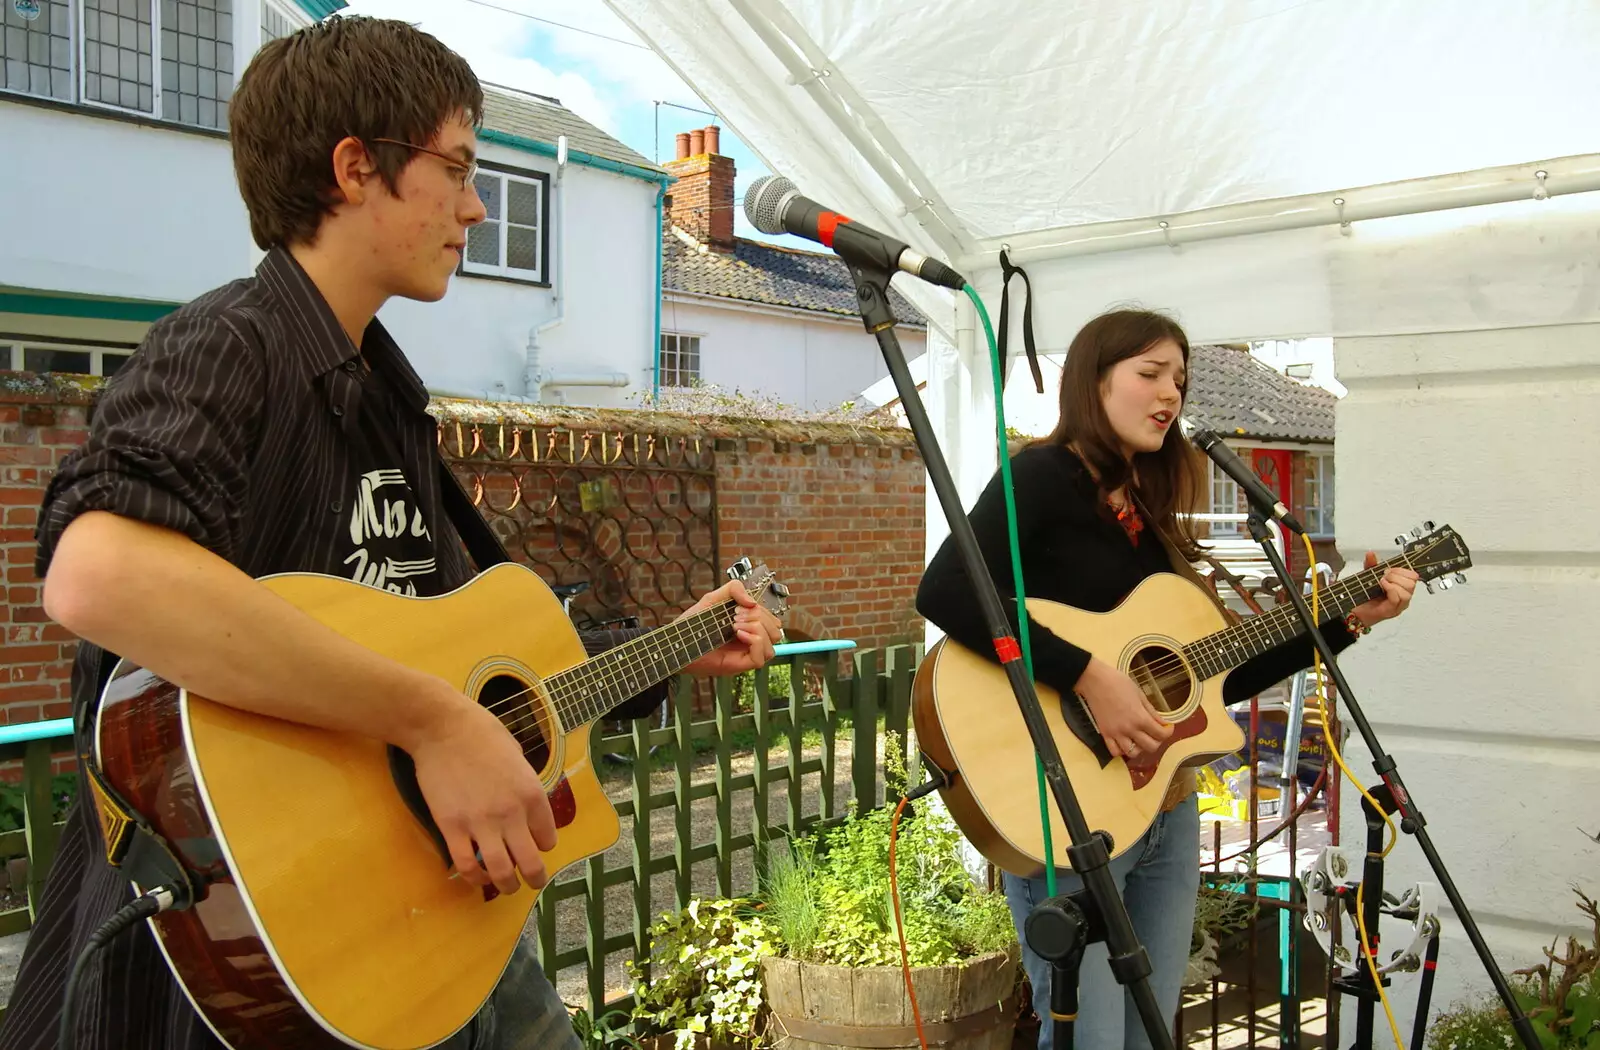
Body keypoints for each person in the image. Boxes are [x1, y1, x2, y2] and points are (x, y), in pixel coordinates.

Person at [0, 16, 781, 1050]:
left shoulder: (385, 398)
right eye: (455, 167)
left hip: (434, 917)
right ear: (355, 169)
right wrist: (432, 722)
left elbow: (481, 677)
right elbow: (98, 573)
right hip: (241, 952)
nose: (475, 204)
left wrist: (672, 651)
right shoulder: (230, 344)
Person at [915, 308, 1418, 1050]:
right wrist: (1089, 676)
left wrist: (1349, 620)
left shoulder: (1147, 514)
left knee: (1149, 1030)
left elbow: (1222, 673)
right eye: (1150, 373)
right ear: (1094, 380)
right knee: (1090, 1036)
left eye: (1178, 379)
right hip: (1067, 801)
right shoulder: (1042, 476)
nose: (1170, 394)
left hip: (1163, 806)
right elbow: (948, 591)